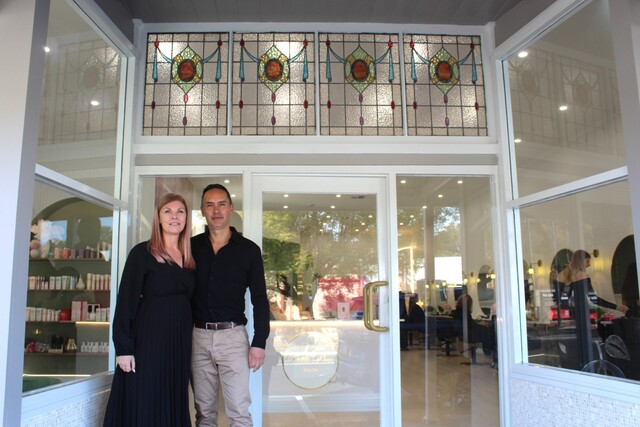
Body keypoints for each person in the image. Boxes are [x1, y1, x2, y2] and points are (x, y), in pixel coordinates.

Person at [103, 193, 196, 427]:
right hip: (148, 342)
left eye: (180, 212)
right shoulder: (142, 254)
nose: (174, 217)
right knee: (145, 398)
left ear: (186, 218)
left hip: (178, 343)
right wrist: (123, 349)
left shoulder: (189, 257)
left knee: (172, 398)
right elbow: (125, 303)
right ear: (158, 218)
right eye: (168, 211)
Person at [191, 183, 270, 427]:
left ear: (231, 208)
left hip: (233, 337)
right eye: (210, 205)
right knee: (204, 413)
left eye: (221, 204)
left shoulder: (249, 251)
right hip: (197, 336)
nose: (216, 211)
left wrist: (259, 342)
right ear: (202, 210)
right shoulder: (190, 247)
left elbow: (259, 299)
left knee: (238, 411)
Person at [557, 249, 628, 313]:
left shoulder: (561, 276)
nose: (589, 265)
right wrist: (616, 307)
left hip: (565, 313)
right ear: (580, 261)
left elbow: (562, 298)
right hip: (580, 312)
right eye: (587, 261)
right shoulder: (582, 275)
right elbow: (593, 298)